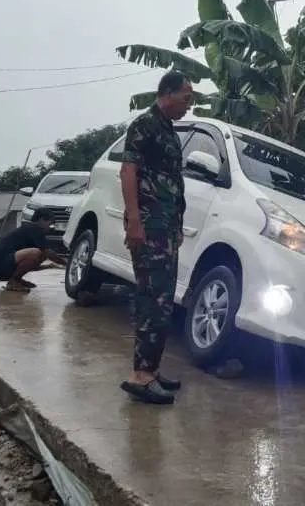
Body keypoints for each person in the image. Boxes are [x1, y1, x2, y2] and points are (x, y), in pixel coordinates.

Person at [119, 70, 193, 405]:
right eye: (185, 98)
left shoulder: (168, 131)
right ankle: (140, 376)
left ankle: (151, 368)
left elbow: (172, 184)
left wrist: (176, 229)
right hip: (148, 225)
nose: (188, 106)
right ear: (167, 93)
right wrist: (134, 220)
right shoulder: (144, 125)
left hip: (165, 228)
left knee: (162, 300)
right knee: (152, 297)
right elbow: (128, 170)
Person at [0, 208, 67, 292]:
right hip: (0, 267)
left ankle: (17, 279)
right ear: (41, 220)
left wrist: (49, 266)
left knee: (41, 256)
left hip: (1, 268)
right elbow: (48, 252)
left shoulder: (30, 229)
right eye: (50, 224)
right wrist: (67, 264)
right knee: (36, 253)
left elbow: (31, 265)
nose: (51, 227)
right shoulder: (35, 228)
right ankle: (13, 281)